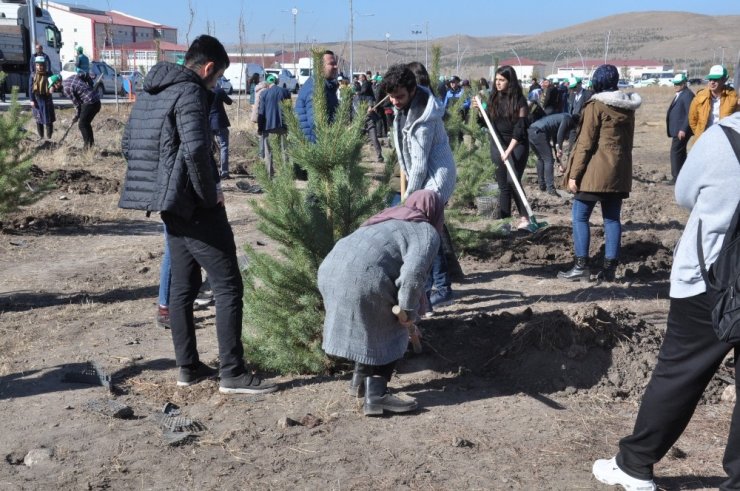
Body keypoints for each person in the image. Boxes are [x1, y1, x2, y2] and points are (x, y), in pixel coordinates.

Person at [118, 34, 277, 394]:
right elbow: (195, 150)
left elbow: (128, 144)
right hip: (194, 205)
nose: (217, 83)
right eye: (218, 76)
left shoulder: (152, 90)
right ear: (207, 68)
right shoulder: (190, 91)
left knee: (183, 287)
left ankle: (188, 367)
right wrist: (210, 196)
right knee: (228, 285)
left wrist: (162, 185)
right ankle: (233, 374)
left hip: (170, 204)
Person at [592, 111, 740, 491]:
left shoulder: (724, 138)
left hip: (714, 278)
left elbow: (685, 193)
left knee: (679, 372)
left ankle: (635, 465)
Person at [318, 190, 443, 416]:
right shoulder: (426, 232)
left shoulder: (386, 217)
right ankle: (376, 395)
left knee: (369, 326)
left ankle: (359, 382)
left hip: (330, 270)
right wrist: (407, 312)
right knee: (392, 328)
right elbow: (413, 276)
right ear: (435, 211)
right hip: (363, 277)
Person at [382, 63, 457, 308]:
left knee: (423, 233)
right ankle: (428, 288)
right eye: (391, 97)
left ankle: (436, 289)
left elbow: (420, 165)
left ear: (413, 89)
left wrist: (407, 201)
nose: (395, 101)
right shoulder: (405, 107)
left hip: (436, 178)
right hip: (421, 175)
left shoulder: (423, 120)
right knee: (424, 232)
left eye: (400, 96)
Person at [558, 64, 641, 282]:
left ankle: (581, 266)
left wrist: (574, 174)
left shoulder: (596, 105)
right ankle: (610, 270)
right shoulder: (628, 107)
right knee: (612, 219)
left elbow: (585, 143)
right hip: (618, 171)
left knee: (579, 216)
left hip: (595, 172)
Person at [476, 65, 531, 231]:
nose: (498, 83)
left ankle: (525, 218)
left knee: (512, 180)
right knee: (502, 185)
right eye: (496, 80)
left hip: (517, 144)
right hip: (497, 143)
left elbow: (520, 128)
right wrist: (480, 111)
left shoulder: (519, 101)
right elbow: (486, 123)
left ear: (510, 81)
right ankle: (504, 221)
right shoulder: (493, 98)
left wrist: (509, 150)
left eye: (502, 80)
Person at [294, 50, 339, 179]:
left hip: (321, 147)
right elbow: (317, 122)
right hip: (316, 149)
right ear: (320, 67)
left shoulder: (326, 87)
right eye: (332, 63)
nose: (336, 67)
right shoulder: (315, 88)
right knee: (317, 191)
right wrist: (334, 137)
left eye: (335, 63)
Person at [527, 112, 577, 195]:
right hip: (539, 132)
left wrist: (558, 159)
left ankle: (542, 185)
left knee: (541, 158)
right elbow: (560, 134)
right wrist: (560, 149)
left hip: (531, 131)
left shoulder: (559, 120)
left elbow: (555, 141)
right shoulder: (568, 118)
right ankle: (551, 189)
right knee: (548, 160)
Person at [50, 72, 101, 149]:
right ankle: (90, 146)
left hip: (90, 102)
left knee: (82, 124)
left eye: (53, 86)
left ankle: (87, 147)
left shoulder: (66, 89)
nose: (55, 88)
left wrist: (77, 116)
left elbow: (77, 104)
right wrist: (91, 84)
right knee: (85, 123)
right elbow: (85, 74)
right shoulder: (72, 77)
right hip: (96, 100)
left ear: (57, 83)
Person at [688, 64, 737, 139]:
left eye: (716, 79)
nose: (712, 82)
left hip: (725, 140)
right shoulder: (699, 97)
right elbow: (692, 120)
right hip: (704, 139)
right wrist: (699, 134)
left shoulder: (733, 96)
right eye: (710, 79)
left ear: (724, 80)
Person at [259, 74, 291, 178]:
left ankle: (269, 175)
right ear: (277, 81)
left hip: (268, 126)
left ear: (268, 83)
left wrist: (260, 128)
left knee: (268, 152)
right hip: (283, 125)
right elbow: (289, 109)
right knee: (284, 151)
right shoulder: (285, 92)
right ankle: (286, 176)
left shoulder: (264, 94)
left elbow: (261, 112)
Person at [665, 73, 694, 182]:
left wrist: (683, 129)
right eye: (675, 83)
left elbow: (689, 114)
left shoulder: (688, 95)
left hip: (681, 131)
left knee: (676, 151)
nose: (675, 85)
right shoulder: (681, 93)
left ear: (684, 83)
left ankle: (676, 177)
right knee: (680, 152)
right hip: (678, 130)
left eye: (678, 84)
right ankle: (683, 176)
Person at [210, 79, 233, 179]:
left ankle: (210, 171)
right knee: (224, 147)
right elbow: (229, 102)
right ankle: (224, 172)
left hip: (208, 123)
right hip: (220, 123)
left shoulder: (203, 91)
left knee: (209, 148)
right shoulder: (219, 91)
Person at [30, 57, 55, 140]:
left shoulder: (49, 74)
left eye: (41, 65)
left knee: (48, 119)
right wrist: (31, 100)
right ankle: (41, 137)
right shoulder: (33, 75)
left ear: (44, 65)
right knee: (38, 119)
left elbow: (56, 83)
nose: (39, 67)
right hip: (37, 99)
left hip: (47, 98)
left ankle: (49, 138)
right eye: (37, 65)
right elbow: (30, 88)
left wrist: (53, 87)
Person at [566, 77, 592, 149]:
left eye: (574, 87)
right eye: (571, 87)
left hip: (584, 122)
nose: (573, 89)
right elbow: (571, 107)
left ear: (580, 84)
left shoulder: (588, 95)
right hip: (573, 122)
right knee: (572, 142)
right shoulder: (572, 95)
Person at [250, 74, 269, 159]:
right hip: (263, 115)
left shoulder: (257, 89)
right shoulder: (265, 91)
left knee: (261, 135)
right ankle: (263, 155)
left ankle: (262, 154)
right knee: (264, 135)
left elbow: (256, 104)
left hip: (259, 114)